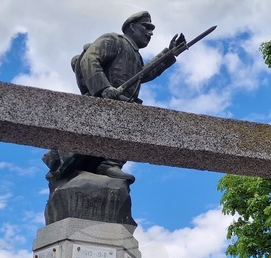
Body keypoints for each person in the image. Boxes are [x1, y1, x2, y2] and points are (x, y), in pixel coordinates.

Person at [43, 11, 185, 184]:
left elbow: (147, 73)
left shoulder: (135, 55)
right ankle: (77, 165)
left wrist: (171, 53)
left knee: (131, 128)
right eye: (146, 27)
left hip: (124, 105)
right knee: (78, 148)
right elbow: (89, 58)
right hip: (105, 103)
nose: (150, 33)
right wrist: (104, 88)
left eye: (152, 29)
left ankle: (110, 163)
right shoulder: (114, 40)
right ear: (132, 27)